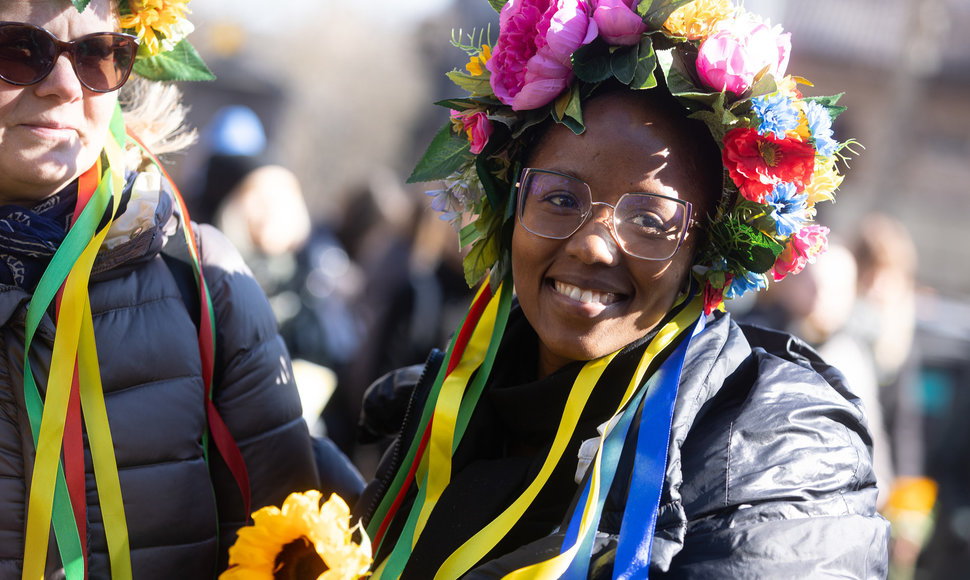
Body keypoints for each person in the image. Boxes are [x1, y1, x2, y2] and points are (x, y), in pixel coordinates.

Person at [353, 0, 889, 578]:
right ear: (510, 208)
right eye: (559, 198)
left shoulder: (783, 450)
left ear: (704, 250)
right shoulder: (442, 410)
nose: (591, 245)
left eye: (651, 220)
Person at [0, 1, 353, 577]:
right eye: (18, 50)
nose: (65, 86)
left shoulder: (200, 273)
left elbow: (287, 548)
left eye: (97, 55)